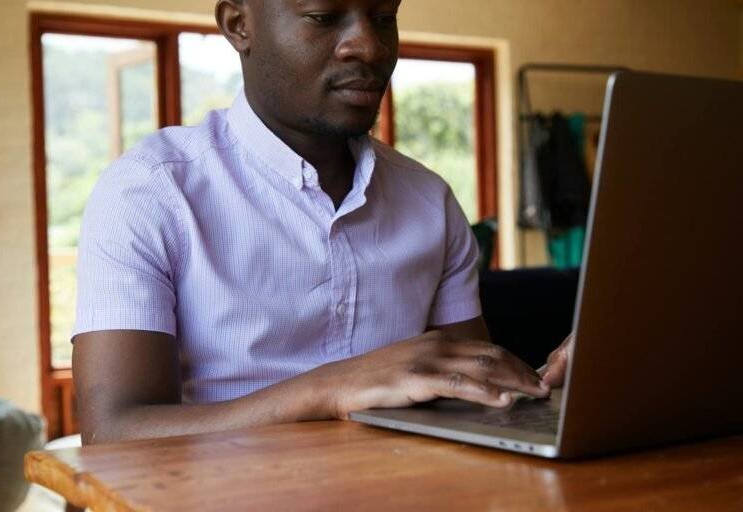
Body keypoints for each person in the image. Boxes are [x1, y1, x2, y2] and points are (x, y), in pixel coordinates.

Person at [72, 0, 569, 445]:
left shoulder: (429, 201)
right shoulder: (152, 191)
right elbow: (114, 432)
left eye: (384, 18)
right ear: (238, 24)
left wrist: (560, 386)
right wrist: (332, 387)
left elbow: (473, 398)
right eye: (323, 17)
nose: (368, 47)